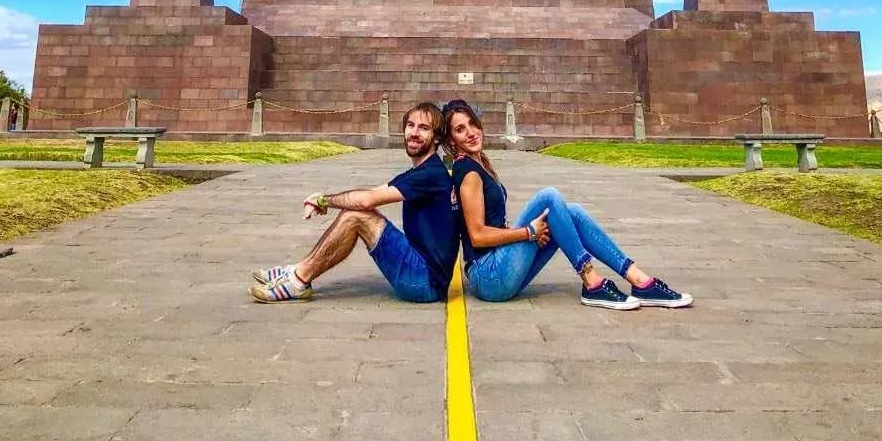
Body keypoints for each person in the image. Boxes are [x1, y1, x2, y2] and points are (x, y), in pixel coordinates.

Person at [444, 99, 693, 311]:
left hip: (497, 269)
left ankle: (639, 279)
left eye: (473, 124)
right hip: (488, 276)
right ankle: (591, 281)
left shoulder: (479, 164)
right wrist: (528, 233)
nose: (471, 132)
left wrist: (528, 236)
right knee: (549, 198)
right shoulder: (469, 173)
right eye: (460, 129)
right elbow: (476, 236)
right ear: (452, 140)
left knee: (570, 211)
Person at [249, 101, 458, 304]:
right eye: (410, 125)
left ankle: (298, 279)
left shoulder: (430, 174)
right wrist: (327, 201)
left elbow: (366, 200)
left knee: (356, 215)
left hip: (425, 282)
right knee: (354, 210)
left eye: (423, 128)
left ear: (437, 138)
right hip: (423, 274)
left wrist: (324, 200)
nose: (414, 133)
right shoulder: (423, 171)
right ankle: (299, 270)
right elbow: (375, 191)